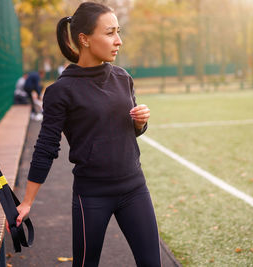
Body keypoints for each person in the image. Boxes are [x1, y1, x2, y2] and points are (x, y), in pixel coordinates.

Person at [11, 2, 161, 266]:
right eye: (110, 33)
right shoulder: (61, 91)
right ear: (85, 39)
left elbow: (129, 132)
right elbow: (46, 146)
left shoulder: (123, 77)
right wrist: (27, 202)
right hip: (92, 196)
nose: (119, 41)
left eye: (118, 31)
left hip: (135, 188)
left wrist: (140, 123)